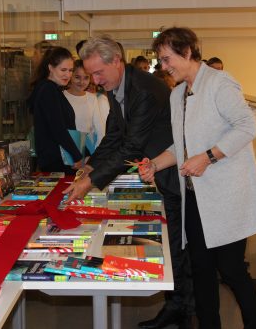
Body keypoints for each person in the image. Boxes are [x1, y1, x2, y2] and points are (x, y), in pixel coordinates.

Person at [142, 27, 256, 329]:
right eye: (161, 61)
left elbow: (246, 127)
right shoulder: (177, 94)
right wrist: (156, 165)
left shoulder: (219, 84)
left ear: (187, 52)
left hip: (225, 197)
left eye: (167, 59)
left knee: (231, 270)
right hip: (196, 198)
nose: (163, 67)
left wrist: (208, 156)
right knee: (200, 269)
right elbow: (180, 143)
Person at [64, 35, 195, 329]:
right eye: (91, 73)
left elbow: (131, 146)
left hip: (171, 172)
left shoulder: (144, 91)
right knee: (173, 243)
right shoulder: (115, 85)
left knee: (177, 246)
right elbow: (114, 134)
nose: (95, 80)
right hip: (155, 170)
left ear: (117, 62)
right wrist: (90, 166)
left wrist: (91, 182)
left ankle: (182, 310)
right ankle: (178, 306)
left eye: (99, 73)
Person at [27, 47, 83, 174]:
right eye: (63, 70)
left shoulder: (52, 89)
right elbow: (58, 128)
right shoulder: (48, 90)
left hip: (57, 157)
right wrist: (77, 156)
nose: (68, 75)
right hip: (57, 159)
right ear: (51, 68)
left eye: (70, 70)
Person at [64, 59, 107, 150]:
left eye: (86, 77)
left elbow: (100, 130)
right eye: (77, 77)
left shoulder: (92, 98)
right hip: (65, 149)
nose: (82, 82)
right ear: (70, 76)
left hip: (87, 149)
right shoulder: (61, 96)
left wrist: (96, 155)